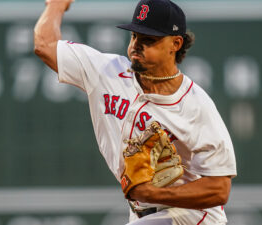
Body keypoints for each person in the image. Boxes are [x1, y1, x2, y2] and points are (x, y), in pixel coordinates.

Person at [34, 0, 237, 224]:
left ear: (176, 43)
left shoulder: (196, 106)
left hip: (192, 217)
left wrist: (151, 193)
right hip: (140, 214)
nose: (136, 45)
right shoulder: (105, 72)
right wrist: (56, 5)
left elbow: (219, 189)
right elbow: (44, 45)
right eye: (134, 36)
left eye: (148, 39)